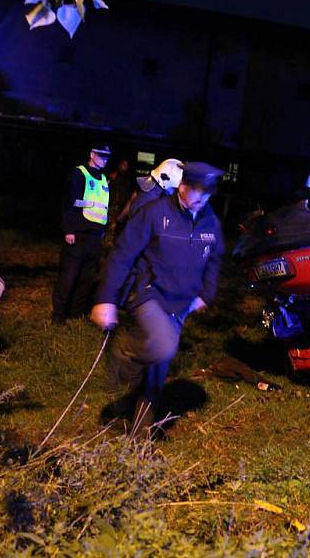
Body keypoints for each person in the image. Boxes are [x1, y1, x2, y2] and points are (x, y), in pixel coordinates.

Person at [91, 162, 225, 434]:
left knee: (157, 372)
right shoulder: (154, 213)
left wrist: (206, 294)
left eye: (207, 193)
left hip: (182, 303)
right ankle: (125, 351)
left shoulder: (211, 220)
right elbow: (122, 255)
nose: (201, 199)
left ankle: (141, 437)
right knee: (164, 347)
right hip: (149, 294)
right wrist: (106, 299)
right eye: (196, 191)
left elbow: (214, 258)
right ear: (182, 186)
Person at [51, 144, 111, 323]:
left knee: (86, 278)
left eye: (107, 157)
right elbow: (69, 203)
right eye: (101, 156)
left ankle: (76, 314)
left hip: (95, 238)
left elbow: (103, 209)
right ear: (92, 154)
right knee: (68, 276)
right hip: (77, 235)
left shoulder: (103, 179)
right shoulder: (79, 173)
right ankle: (58, 316)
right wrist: (69, 230)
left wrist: (103, 233)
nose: (104, 160)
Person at [116, 158, 184, 223]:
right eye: (175, 188)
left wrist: (119, 220)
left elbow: (130, 202)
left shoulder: (145, 187)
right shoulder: (159, 202)